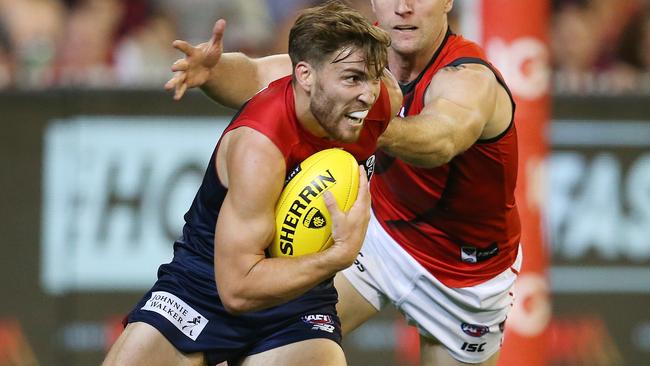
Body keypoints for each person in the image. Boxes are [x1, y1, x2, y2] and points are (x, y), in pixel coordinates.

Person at [165, 1, 521, 365]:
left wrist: (356, 114)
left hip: (464, 275)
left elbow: (441, 140)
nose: (403, 7)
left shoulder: (469, 77)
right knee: (260, 332)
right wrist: (212, 72)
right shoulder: (356, 54)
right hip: (373, 233)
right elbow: (262, 77)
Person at [102, 2, 401, 366]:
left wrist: (216, 70)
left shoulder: (381, 101)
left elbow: (260, 70)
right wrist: (339, 255)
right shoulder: (261, 146)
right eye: (353, 78)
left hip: (297, 300)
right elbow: (237, 290)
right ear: (304, 76)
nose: (368, 94)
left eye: (374, 77)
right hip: (204, 288)